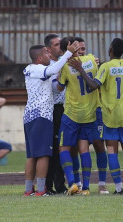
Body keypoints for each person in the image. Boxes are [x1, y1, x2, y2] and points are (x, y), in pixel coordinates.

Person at [68, 38, 123, 194]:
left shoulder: (106, 67)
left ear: (110, 50)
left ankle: (118, 187)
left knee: (112, 150)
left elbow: (94, 85)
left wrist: (81, 69)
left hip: (110, 114)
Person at [23, 41, 79, 196]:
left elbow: (54, 83)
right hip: (42, 116)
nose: (50, 55)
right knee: (43, 154)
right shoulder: (40, 69)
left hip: (29, 116)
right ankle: (41, 190)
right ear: (40, 58)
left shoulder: (29, 69)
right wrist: (68, 53)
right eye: (46, 53)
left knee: (32, 155)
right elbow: (53, 68)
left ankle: (29, 190)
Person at [57, 36, 100, 196]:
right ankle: (87, 188)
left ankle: (72, 183)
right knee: (84, 150)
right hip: (89, 114)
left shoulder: (66, 67)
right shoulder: (91, 59)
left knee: (64, 148)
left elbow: (60, 88)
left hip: (72, 114)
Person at [75, 37, 109, 195]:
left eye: (83, 49)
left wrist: (97, 63)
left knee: (99, 144)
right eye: (79, 49)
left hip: (96, 111)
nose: (82, 52)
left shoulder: (93, 62)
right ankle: (81, 184)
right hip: (78, 114)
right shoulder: (67, 66)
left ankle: (102, 184)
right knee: (80, 149)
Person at [43, 33, 68, 194]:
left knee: (62, 147)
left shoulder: (61, 63)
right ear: (48, 49)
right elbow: (55, 88)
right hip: (52, 109)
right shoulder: (50, 66)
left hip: (63, 109)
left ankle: (60, 185)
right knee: (52, 148)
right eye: (57, 45)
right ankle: (48, 185)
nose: (61, 47)